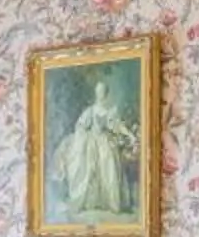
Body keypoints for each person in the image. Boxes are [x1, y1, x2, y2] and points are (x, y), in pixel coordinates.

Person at [56, 76, 138, 219]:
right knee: (88, 167)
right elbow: (80, 125)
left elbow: (117, 126)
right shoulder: (90, 110)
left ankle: (109, 202)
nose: (100, 94)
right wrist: (85, 134)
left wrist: (130, 136)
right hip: (91, 142)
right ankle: (90, 202)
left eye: (103, 91)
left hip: (105, 142)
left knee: (109, 166)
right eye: (98, 91)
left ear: (106, 94)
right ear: (96, 93)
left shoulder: (110, 111)